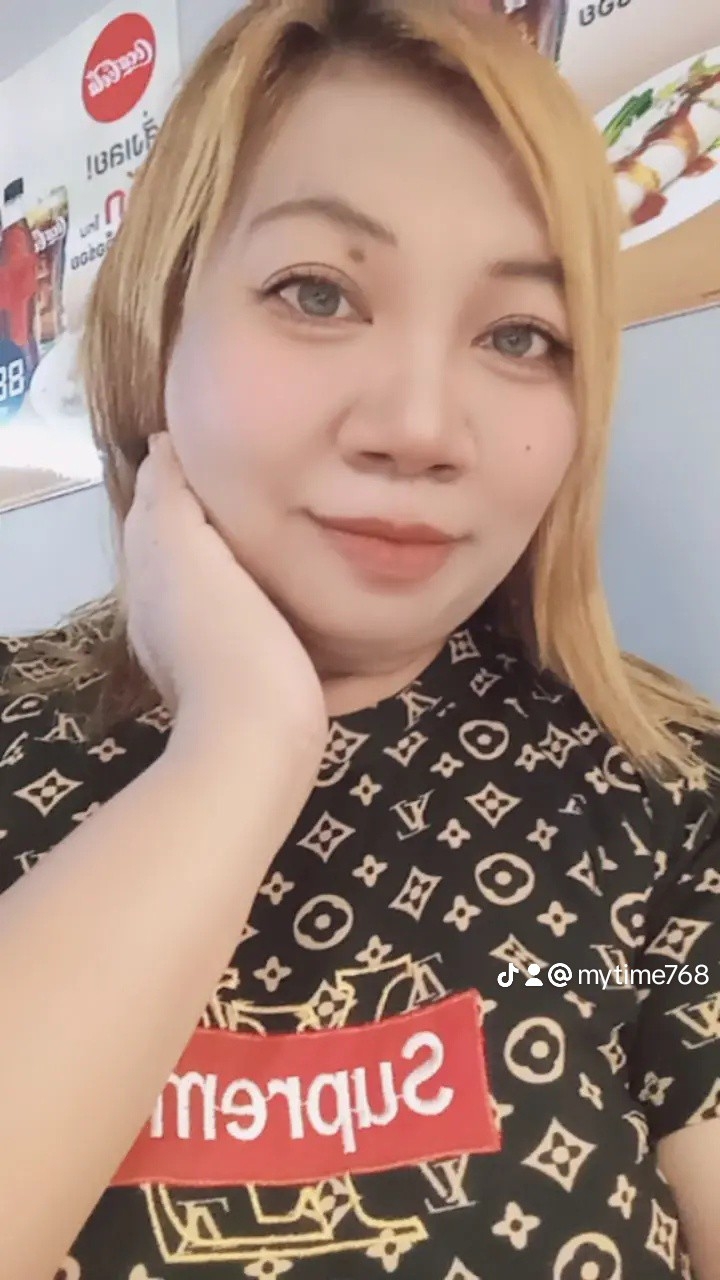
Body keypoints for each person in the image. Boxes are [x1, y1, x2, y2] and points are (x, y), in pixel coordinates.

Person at [1, 2, 719, 1277]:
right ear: (160, 328)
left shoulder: (672, 791)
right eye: (318, 293)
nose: (421, 426)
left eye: (519, 334)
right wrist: (241, 748)